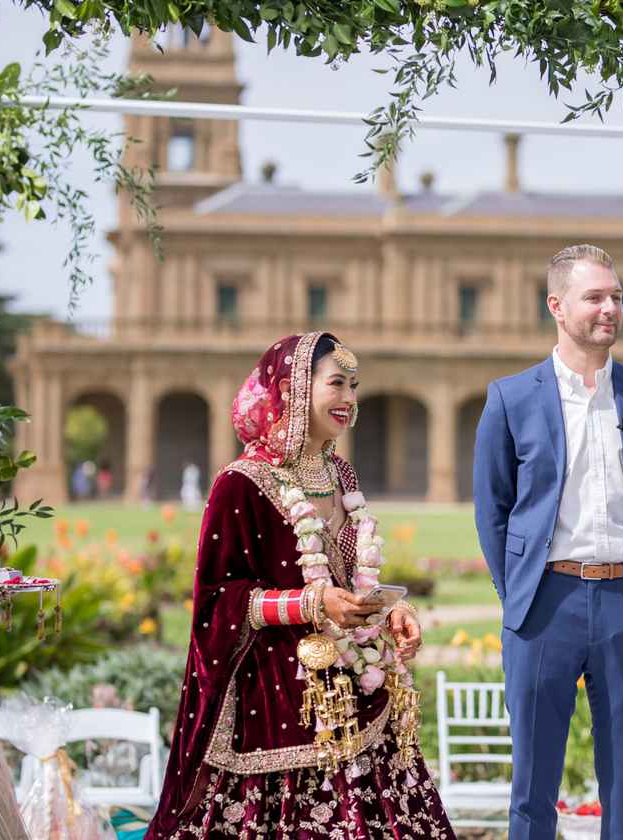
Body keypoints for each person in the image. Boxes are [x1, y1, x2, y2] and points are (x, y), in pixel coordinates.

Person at [145, 331, 455, 839]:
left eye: (354, 386)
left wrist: (387, 608)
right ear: (292, 390)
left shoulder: (340, 474)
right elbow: (218, 599)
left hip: (356, 682)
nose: (350, 400)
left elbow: (350, 572)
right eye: (337, 384)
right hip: (276, 695)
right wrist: (310, 602)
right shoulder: (241, 482)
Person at [473, 244, 623, 840]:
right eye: (595, 297)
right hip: (544, 604)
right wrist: (518, 592)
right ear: (557, 306)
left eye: (617, 296)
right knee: (533, 787)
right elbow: (492, 511)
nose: (610, 308)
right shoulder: (511, 398)